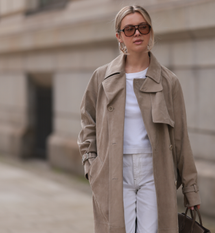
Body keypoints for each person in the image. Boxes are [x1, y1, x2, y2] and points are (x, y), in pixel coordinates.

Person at [78, 5, 201, 233]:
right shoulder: (101, 78)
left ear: (150, 31)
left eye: (143, 27)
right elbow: (87, 124)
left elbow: (181, 137)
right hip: (114, 168)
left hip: (154, 171)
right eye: (130, 29)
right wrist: (91, 165)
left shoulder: (168, 81)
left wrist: (190, 189)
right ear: (119, 36)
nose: (137, 33)